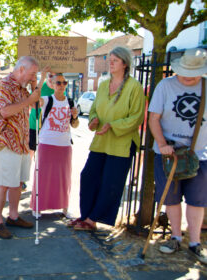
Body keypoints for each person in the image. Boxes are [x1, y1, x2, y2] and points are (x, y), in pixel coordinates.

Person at [71, 46, 145, 231]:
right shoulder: (103, 84)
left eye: (114, 61)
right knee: (88, 176)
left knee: (110, 183)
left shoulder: (134, 87)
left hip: (122, 143)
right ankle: (86, 215)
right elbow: (95, 109)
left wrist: (113, 125)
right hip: (101, 141)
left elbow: (137, 117)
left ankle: (92, 219)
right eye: (109, 60)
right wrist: (94, 120)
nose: (110, 63)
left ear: (125, 64)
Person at [148, 48, 207, 264]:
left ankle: (195, 243)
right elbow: (154, 118)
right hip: (169, 155)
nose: (188, 77)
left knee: (197, 200)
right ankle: (175, 237)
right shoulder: (165, 86)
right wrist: (162, 144)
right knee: (171, 198)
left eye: (193, 73)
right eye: (185, 72)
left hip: (199, 155)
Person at [0, 56, 49, 239]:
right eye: (32, 73)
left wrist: (39, 82)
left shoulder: (23, 87)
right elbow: (5, 111)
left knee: (17, 183)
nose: (33, 76)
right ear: (21, 69)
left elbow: (35, 104)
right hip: (7, 142)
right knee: (3, 184)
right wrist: (29, 98)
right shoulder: (5, 85)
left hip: (22, 142)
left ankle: (13, 216)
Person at [30, 73, 79, 216]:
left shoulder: (70, 102)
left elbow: (74, 125)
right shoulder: (46, 100)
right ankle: (37, 207)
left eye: (64, 83)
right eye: (58, 83)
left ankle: (64, 206)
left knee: (64, 177)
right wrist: (42, 76)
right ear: (52, 84)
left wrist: (75, 117)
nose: (62, 86)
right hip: (47, 143)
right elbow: (33, 101)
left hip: (64, 145)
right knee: (43, 176)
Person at [29, 73, 55, 158]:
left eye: (55, 76)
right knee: (30, 153)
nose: (52, 78)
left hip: (48, 127)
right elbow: (30, 102)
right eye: (51, 76)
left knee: (44, 155)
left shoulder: (59, 89)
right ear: (47, 76)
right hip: (34, 124)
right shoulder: (41, 87)